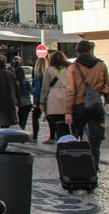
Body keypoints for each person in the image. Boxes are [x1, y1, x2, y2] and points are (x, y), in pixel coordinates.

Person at [65, 40, 109, 171]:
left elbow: (71, 91)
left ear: (78, 52)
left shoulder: (73, 67)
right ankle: (94, 165)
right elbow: (107, 86)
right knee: (95, 139)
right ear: (90, 50)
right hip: (96, 104)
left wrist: (68, 111)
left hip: (79, 105)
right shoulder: (101, 65)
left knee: (77, 137)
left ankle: (80, 166)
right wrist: (102, 96)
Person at [41, 50, 69, 144]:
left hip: (53, 96)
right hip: (66, 95)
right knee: (65, 119)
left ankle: (53, 137)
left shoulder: (49, 70)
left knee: (53, 119)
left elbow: (45, 86)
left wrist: (42, 101)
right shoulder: (68, 69)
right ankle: (66, 137)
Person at [12, 56, 33, 131]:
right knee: (23, 120)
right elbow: (31, 91)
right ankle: (22, 130)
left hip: (17, 103)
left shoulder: (13, 82)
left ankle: (18, 131)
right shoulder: (26, 81)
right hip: (26, 103)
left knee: (17, 120)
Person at [30, 56, 47, 141]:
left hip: (39, 98)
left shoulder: (38, 74)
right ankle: (53, 135)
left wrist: (35, 100)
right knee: (51, 118)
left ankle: (35, 136)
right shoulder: (48, 73)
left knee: (35, 117)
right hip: (48, 97)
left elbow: (37, 89)